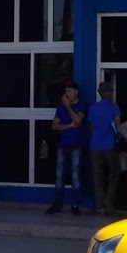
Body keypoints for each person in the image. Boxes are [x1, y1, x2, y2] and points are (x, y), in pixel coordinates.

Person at [46, 82, 89, 215]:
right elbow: (54, 126)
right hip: (62, 145)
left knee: (75, 175)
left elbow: (78, 120)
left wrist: (67, 106)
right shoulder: (60, 107)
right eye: (66, 91)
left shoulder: (82, 105)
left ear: (76, 92)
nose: (67, 94)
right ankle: (57, 204)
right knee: (59, 176)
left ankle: (75, 205)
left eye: (69, 91)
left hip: (76, 145)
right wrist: (69, 126)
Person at [88, 81, 123, 215]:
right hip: (110, 146)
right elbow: (119, 127)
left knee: (98, 177)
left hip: (95, 146)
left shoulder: (93, 108)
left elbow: (91, 128)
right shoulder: (114, 108)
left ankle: (100, 206)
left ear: (100, 93)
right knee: (115, 173)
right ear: (110, 93)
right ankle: (108, 200)